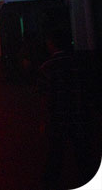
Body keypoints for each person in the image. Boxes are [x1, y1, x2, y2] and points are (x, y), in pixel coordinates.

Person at [37, 29, 98, 189]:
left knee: (55, 155)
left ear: (51, 44)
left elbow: (45, 97)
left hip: (58, 118)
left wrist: (44, 120)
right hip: (80, 116)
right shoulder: (80, 64)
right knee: (83, 156)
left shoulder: (47, 67)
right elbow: (90, 91)